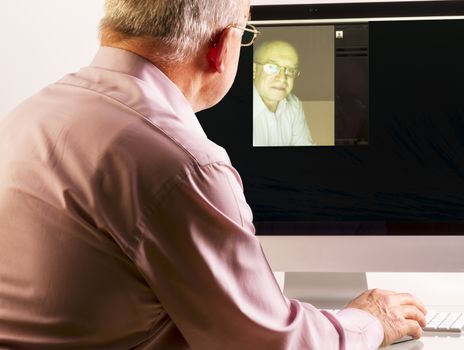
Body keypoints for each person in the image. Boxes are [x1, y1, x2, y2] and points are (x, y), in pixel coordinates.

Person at [0, 1, 426, 349]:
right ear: (221, 47)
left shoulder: (26, 116)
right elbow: (269, 345)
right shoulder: (181, 161)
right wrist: (370, 320)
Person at [253, 40, 315, 146]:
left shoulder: (294, 105)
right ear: (254, 70)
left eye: (290, 70)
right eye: (272, 67)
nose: (282, 78)